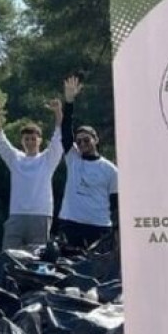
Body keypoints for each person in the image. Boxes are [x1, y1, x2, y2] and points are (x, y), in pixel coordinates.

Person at [0, 96, 65, 250]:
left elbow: (59, 137)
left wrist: (58, 112)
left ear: (40, 140)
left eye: (33, 139)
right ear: (22, 141)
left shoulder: (47, 159)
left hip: (40, 215)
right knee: (9, 258)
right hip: (16, 215)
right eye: (26, 139)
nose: (30, 142)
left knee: (36, 261)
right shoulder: (15, 158)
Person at [58, 75, 119, 249]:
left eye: (86, 140)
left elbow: (115, 205)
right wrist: (69, 102)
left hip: (99, 227)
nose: (82, 144)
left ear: (96, 139)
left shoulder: (110, 170)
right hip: (71, 224)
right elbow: (65, 130)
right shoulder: (73, 159)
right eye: (79, 141)